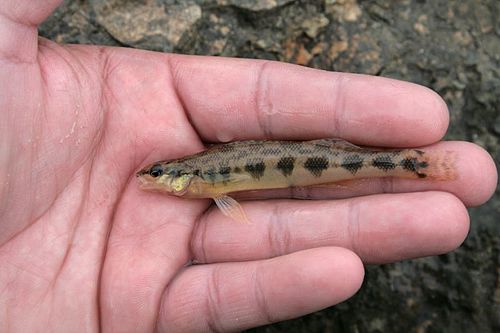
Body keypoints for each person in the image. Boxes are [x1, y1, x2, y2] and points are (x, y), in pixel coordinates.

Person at [0, 1, 497, 332]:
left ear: (181, 176)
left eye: (155, 174)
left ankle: (413, 165)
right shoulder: (199, 180)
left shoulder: (199, 179)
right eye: (155, 174)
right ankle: (414, 166)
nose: (149, 179)